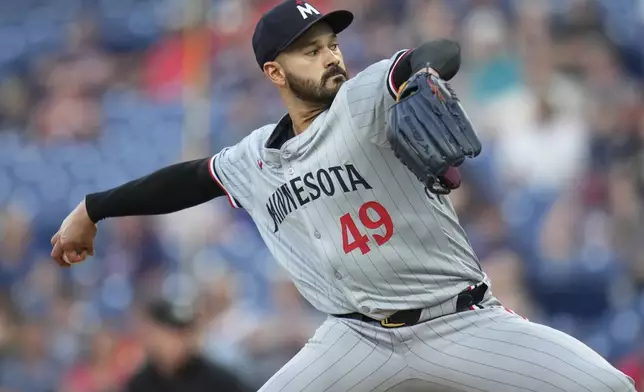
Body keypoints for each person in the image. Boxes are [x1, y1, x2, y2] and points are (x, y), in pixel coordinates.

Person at [50, 1, 636, 391]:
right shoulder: (255, 156)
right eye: (310, 50)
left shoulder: (363, 99)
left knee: (609, 387)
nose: (331, 54)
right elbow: (187, 180)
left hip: (457, 321)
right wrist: (92, 208)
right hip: (356, 336)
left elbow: (435, 54)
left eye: (331, 43)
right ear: (274, 72)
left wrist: (420, 79)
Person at [122, 298, 251, 392]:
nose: (182, 341)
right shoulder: (140, 385)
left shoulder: (218, 379)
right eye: (174, 333)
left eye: (185, 332)